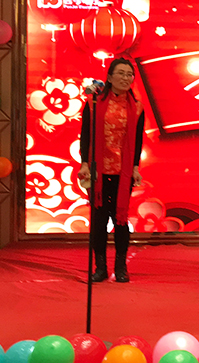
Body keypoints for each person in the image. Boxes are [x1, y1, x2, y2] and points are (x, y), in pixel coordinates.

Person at [78, 57, 145, 283]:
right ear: (109, 77)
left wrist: (135, 167)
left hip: (123, 172)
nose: (126, 78)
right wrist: (84, 163)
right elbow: (85, 135)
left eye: (129, 74)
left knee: (121, 219)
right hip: (98, 170)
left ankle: (121, 266)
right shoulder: (93, 103)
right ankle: (100, 267)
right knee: (99, 220)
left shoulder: (137, 108)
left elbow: (137, 141)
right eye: (121, 73)